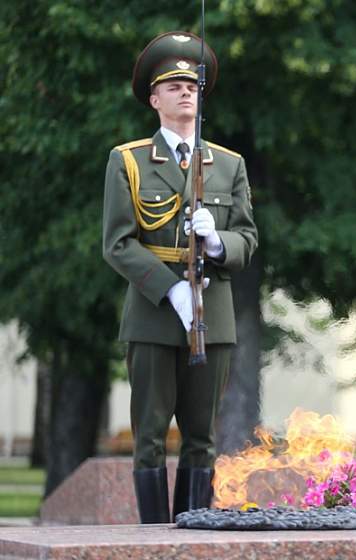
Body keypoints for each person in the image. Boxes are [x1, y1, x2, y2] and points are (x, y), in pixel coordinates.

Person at [102, 31, 258, 523]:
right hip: (153, 311)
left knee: (202, 434)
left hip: (212, 309)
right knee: (149, 433)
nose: (185, 91)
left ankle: (193, 530)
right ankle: (153, 536)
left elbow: (247, 239)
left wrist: (216, 243)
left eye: (191, 84)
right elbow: (117, 243)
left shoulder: (228, 164)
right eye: (172, 85)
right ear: (154, 99)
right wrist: (170, 288)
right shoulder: (127, 161)